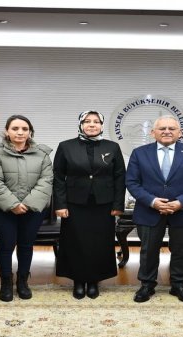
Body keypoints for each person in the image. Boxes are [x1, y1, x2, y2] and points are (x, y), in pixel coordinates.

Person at [126, 115, 183, 303]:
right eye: (162, 128)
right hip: (149, 210)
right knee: (148, 250)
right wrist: (153, 201)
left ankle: (179, 285)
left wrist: (181, 202)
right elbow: (132, 182)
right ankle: (147, 285)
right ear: (153, 133)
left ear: (180, 132)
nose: (167, 132)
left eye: (172, 128)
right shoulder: (139, 153)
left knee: (182, 250)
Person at [53, 110, 126, 299]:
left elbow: (120, 177)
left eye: (96, 121)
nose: (92, 124)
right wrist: (60, 204)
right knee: (75, 243)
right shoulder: (66, 146)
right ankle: (78, 281)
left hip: (104, 204)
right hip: (74, 204)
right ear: (81, 124)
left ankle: (94, 281)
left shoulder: (112, 147)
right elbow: (59, 178)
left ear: (101, 125)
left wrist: (118, 205)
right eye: (87, 121)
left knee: (99, 243)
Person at [0, 115, 53, 302]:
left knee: (26, 245)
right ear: (7, 131)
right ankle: (6, 282)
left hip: (33, 209)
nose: (20, 132)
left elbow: (46, 181)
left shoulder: (42, 154)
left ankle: (23, 281)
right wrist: (13, 204)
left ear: (30, 132)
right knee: (5, 245)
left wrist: (28, 203)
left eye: (24, 129)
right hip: (2, 209)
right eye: (15, 128)